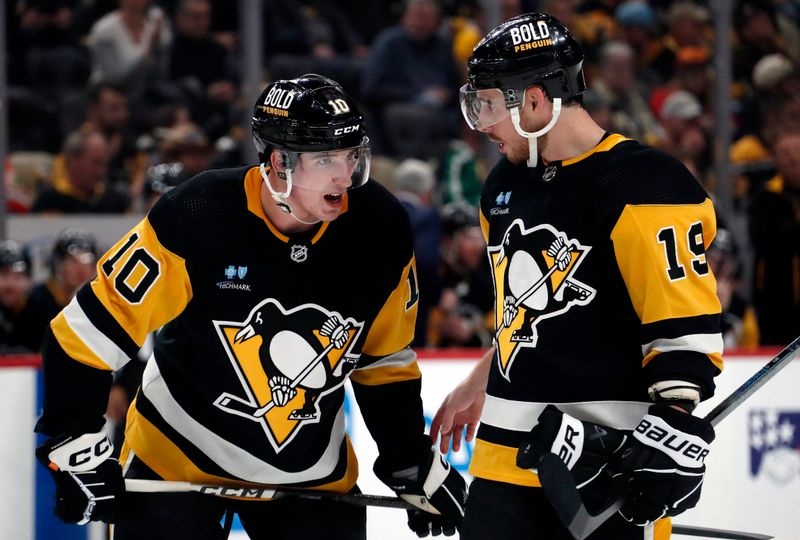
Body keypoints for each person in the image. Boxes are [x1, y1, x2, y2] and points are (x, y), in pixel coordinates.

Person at [34, 74, 466, 540]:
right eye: (326, 159)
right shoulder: (196, 214)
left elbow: (385, 360)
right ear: (279, 162)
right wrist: (73, 436)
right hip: (175, 463)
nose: (345, 175)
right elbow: (83, 333)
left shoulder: (379, 227)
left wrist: (406, 461)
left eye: (350, 155)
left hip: (307, 473)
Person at [431, 13, 723, 540]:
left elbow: (682, 327)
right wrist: (480, 378)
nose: (482, 123)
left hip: (604, 467)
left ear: (537, 100)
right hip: (501, 460)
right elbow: (521, 313)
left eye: (491, 105)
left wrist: (675, 422)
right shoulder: (503, 183)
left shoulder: (643, 181)